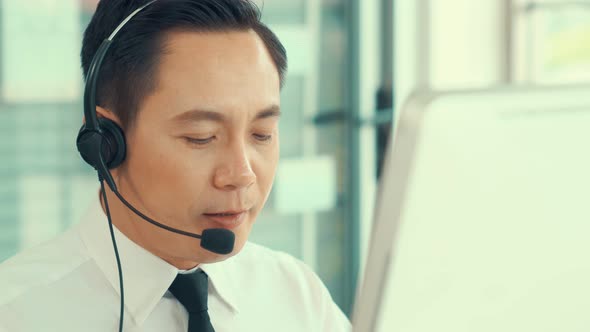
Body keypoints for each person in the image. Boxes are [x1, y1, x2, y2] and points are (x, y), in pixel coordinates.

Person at [0, 1, 351, 331]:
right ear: (105, 144)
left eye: (261, 134)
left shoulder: (297, 296)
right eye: (201, 137)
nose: (242, 175)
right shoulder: (16, 313)